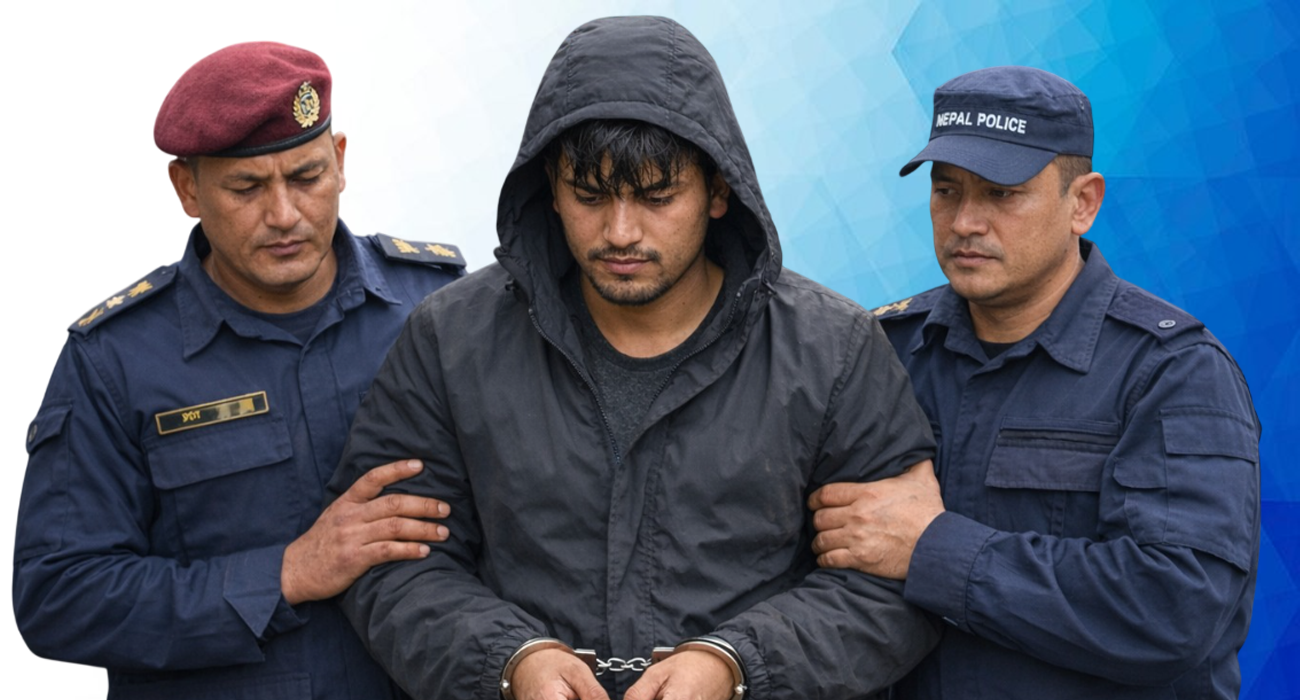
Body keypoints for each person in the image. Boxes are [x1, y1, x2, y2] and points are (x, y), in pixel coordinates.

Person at [328, 15, 939, 700]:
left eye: (656, 197)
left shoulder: (835, 350)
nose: (620, 232)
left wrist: (736, 665)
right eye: (589, 197)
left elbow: (893, 583)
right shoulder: (450, 339)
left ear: (719, 189)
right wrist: (510, 661)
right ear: (550, 189)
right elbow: (393, 565)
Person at [13, 42, 465, 699]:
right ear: (187, 188)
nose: (284, 215)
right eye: (247, 188)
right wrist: (286, 574)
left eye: (306, 177)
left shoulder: (442, 306)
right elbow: (59, 597)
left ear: (340, 161)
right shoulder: (114, 361)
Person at [809, 66, 1261, 699]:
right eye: (946, 190)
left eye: (1002, 193)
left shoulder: (1173, 371)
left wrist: (932, 549)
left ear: (1083, 203)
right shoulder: (880, 351)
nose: (965, 221)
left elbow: (1172, 609)